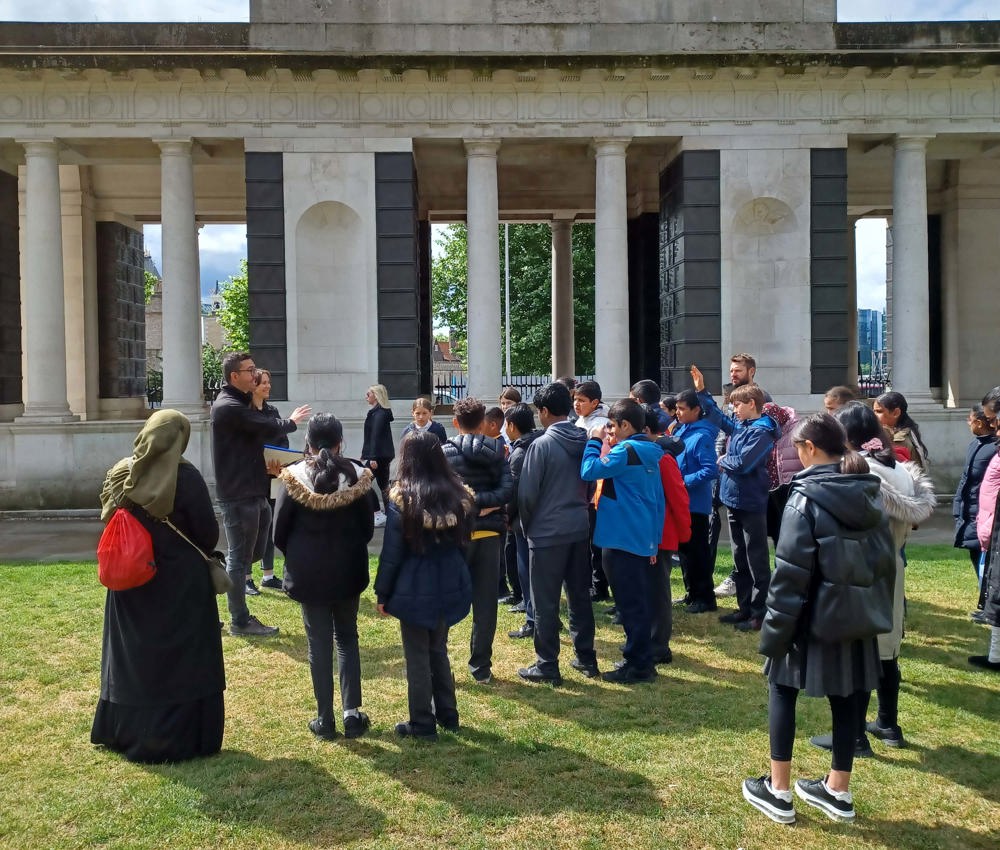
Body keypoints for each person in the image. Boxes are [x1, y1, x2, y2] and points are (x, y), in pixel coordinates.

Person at [741, 413, 896, 825]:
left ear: (809, 448)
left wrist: (774, 634)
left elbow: (790, 573)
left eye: (796, 448)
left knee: (781, 689)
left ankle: (779, 790)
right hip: (856, 617)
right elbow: (886, 564)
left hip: (811, 620)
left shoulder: (804, 496)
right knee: (847, 701)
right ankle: (837, 790)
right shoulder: (869, 492)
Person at [91, 410, 226, 763]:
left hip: (131, 578)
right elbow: (207, 533)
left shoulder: (122, 473)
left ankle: (126, 731)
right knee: (182, 659)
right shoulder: (186, 477)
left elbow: (108, 514)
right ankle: (179, 738)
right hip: (180, 583)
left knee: (135, 656)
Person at [809, 402, 935, 755]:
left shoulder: (863, 474)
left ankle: (854, 736)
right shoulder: (898, 471)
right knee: (887, 651)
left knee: (858, 654)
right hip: (892, 566)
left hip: (862, 569)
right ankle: (887, 723)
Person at [274, 413, 375, 740]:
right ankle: (352, 713)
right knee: (347, 638)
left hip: (308, 572)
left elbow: (279, 533)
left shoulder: (293, 477)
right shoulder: (359, 476)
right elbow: (367, 529)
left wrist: (300, 556)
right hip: (347, 569)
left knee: (319, 644)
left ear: (308, 442)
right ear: (340, 442)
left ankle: (324, 719)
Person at [374, 430, 475, 739]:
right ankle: (448, 714)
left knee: (417, 655)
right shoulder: (460, 495)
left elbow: (392, 553)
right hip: (450, 579)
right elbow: (464, 544)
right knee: (438, 650)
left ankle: (422, 722)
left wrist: (383, 592)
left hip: (414, 584)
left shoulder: (403, 498)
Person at [211, 351, 310, 637]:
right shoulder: (228, 406)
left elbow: (262, 434)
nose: (255, 374)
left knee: (253, 548)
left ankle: (230, 576)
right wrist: (291, 422)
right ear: (234, 376)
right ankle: (239, 620)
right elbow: (266, 425)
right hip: (239, 493)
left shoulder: (241, 402)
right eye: (250, 370)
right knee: (239, 556)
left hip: (256, 488)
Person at [516, 382, 597, 685]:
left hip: (547, 533)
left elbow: (527, 495)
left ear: (545, 412)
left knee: (546, 601)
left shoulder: (541, 445)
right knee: (579, 596)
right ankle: (586, 657)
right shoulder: (584, 438)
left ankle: (547, 663)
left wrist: (528, 528)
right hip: (578, 526)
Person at [581, 398, 665, 683]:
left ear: (626, 425)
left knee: (630, 605)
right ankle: (641, 658)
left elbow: (589, 471)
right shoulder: (651, 451)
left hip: (620, 538)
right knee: (638, 602)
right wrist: (654, 541)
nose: (611, 433)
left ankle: (637, 664)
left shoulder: (626, 451)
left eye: (613, 427)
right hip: (640, 537)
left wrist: (594, 441)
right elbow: (658, 502)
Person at [691, 364, 780, 632]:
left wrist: (722, 459)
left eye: (737, 405)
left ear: (751, 404)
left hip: (750, 501)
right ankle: (744, 608)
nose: (734, 410)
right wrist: (702, 392)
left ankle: (759, 611)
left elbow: (744, 463)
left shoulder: (762, 431)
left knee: (756, 559)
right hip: (734, 498)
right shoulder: (744, 425)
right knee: (740, 556)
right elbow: (719, 418)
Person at [442, 397, 513, 683]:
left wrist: (470, 503)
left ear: (456, 422)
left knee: (446, 599)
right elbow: (507, 490)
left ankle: (440, 658)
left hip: (456, 534)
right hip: (489, 534)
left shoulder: (444, 452)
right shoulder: (498, 449)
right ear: (483, 422)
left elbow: (444, 494)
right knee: (486, 604)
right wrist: (484, 504)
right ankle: (481, 666)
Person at [649, 405, 691, 665]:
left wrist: (684, 533)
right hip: (651, 533)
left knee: (658, 592)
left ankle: (659, 645)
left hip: (662, 535)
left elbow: (678, 497)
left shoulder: (663, 459)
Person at [673, 389, 720, 613]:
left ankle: (705, 597)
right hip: (682, 501)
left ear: (696, 410)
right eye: (677, 408)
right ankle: (692, 593)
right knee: (684, 551)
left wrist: (682, 481)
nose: (678, 413)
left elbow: (710, 470)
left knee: (698, 551)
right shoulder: (682, 431)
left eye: (683, 409)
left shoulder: (702, 436)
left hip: (695, 504)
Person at [503, 402, 544, 639]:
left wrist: (507, 517)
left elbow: (515, 491)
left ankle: (533, 619)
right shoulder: (540, 444)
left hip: (523, 521)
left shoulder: (520, 452)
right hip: (541, 517)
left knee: (527, 573)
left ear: (512, 425)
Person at [573, 379, 611, 601]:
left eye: (582, 401)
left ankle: (600, 586)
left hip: (596, 490)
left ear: (595, 402)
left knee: (597, 542)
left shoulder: (601, 425)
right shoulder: (581, 420)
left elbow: (600, 458)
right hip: (582, 489)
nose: (577, 405)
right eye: (575, 400)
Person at [250, 367, 286, 592]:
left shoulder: (273, 411)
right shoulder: (246, 413)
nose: (268, 386)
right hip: (253, 478)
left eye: (269, 382)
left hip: (274, 476)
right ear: (252, 385)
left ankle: (268, 575)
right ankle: (245, 578)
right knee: (252, 528)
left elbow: (282, 440)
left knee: (270, 524)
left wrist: (280, 463)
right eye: (263, 382)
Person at [953, 405, 997, 584]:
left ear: (979, 423)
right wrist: (958, 507)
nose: (968, 423)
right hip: (969, 513)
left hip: (984, 514)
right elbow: (966, 479)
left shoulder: (994, 448)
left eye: (969, 420)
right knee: (977, 558)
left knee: (988, 563)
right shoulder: (974, 445)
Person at [362, 384, 395, 527]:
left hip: (379, 455)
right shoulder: (378, 413)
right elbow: (371, 437)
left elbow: (375, 437)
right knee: (383, 485)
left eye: (368, 394)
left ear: (376, 395)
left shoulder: (379, 414)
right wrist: (365, 454)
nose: (366, 397)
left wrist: (372, 457)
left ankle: (377, 513)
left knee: (362, 483)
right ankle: (390, 514)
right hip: (381, 455)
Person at [874, 391, 929, 468]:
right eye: (874, 411)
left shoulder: (899, 439)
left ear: (896, 413)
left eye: (879, 411)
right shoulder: (908, 430)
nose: (874, 415)